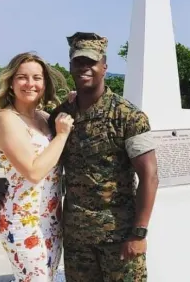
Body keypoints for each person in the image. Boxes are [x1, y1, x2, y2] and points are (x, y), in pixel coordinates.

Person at [49, 32, 159, 282]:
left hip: (119, 237)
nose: (84, 67)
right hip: (77, 238)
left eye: (92, 62)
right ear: (70, 66)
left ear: (104, 67)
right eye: (78, 62)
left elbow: (150, 176)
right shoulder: (61, 114)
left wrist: (139, 233)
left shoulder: (129, 116)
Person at [0, 52, 74, 282]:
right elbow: (34, 172)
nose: (30, 84)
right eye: (22, 77)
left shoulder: (45, 118)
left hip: (51, 220)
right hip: (23, 222)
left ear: (44, 83)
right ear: (11, 82)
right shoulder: (6, 119)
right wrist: (62, 134)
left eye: (37, 78)